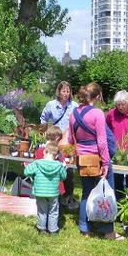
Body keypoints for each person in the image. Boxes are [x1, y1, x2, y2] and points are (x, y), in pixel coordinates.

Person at [68, 83, 123, 240]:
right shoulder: (98, 113)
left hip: (82, 159)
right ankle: (107, 231)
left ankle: (85, 229)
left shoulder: (73, 113)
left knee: (86, 193)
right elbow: (102, 141)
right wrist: (105, 163)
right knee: (106, 193)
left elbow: (72, 139)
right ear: (97, 97)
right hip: (97, 159)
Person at [40, 81, 79, 209]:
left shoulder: (74, 106)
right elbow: (43, 118)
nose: (66, 94)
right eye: (63, 91)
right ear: (59, 91)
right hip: (54, 141)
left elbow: (79, 121)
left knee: (69, 170)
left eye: (68, 91)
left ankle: (68, 197)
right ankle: (53, 195)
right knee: (53, 166)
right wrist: (45, 130)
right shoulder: (51, 105)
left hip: (68, 142)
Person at [24, 127, 68, 235]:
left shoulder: (38, 161)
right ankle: (53, 230)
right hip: (53, 191)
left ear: (44, 153)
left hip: (40, 190)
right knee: (53, 211)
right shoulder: (58, 164)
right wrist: (63, 168)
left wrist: (30, 169)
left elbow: (27, 172)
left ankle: (42, 228)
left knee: (42, 210)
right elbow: (63, 176)